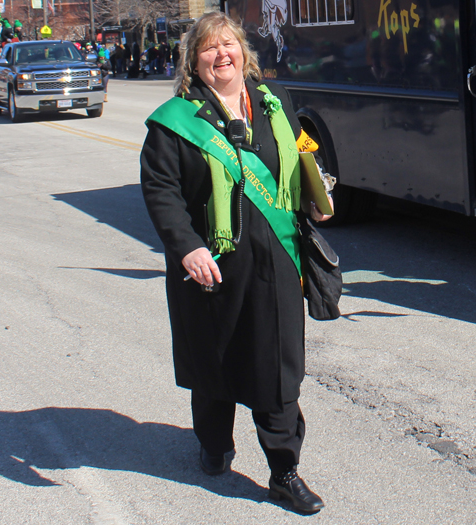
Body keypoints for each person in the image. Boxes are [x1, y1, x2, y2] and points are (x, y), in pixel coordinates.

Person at [140, 12, 332, 514]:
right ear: (193, 61)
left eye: (229, 45)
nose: (221, 54)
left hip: (276, 262)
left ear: (244, 52)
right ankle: (213, 442)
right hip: (211, 268)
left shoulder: (275, 103)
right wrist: (187, 247)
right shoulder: (174, 122)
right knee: (214, 361)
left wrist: (315, 195)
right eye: (208, 48)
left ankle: (283, 471)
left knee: (278, 368)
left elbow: (299, 159)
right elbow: (161, 191)